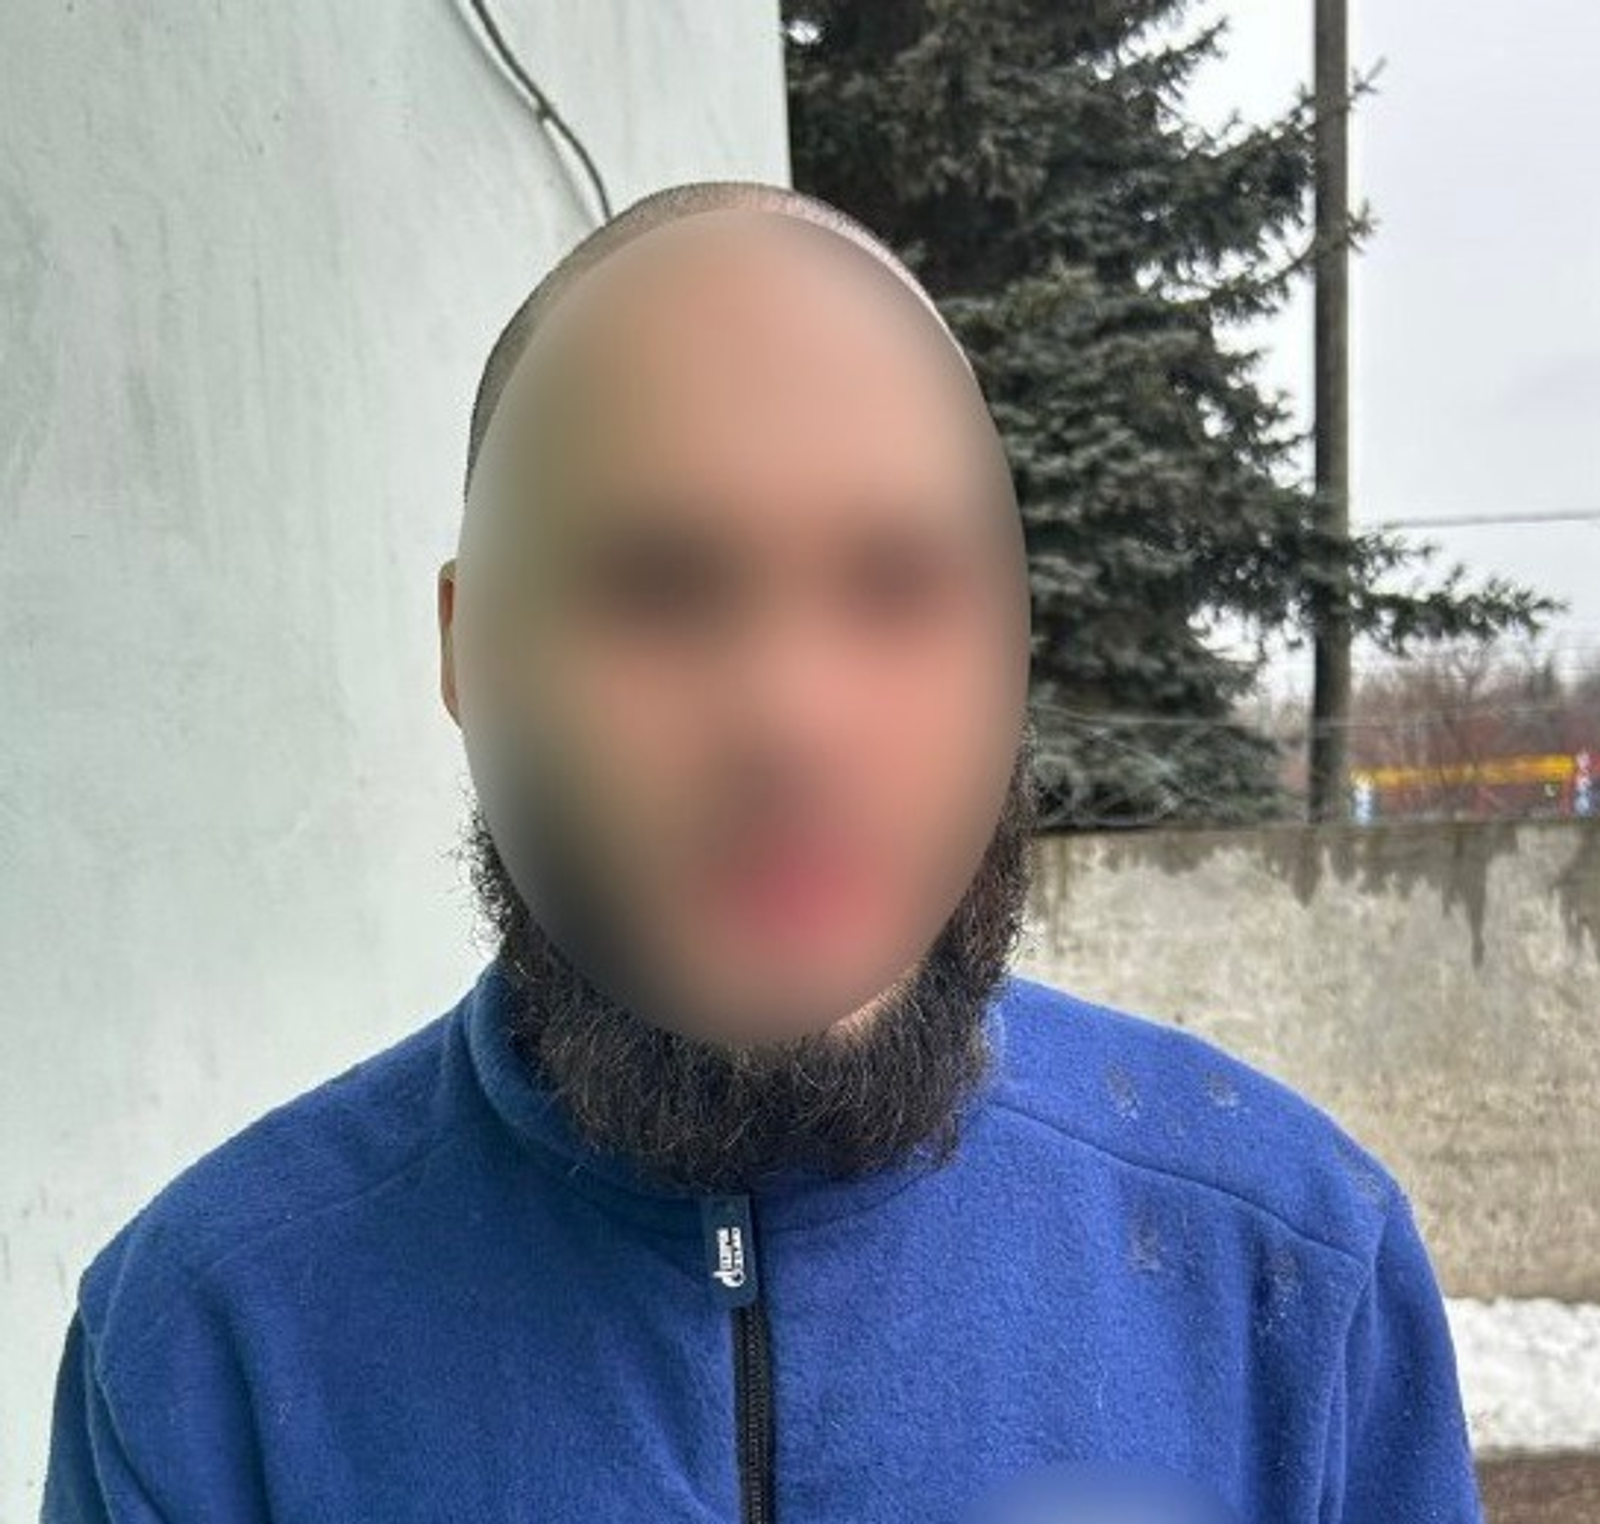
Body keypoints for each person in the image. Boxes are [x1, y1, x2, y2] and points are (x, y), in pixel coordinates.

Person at [41, 179, 1485, 1523]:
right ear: (467, 652)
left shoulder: (1292, 1272)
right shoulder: (203, 1349)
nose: (791, 718)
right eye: (659, 590)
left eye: (899, 587)